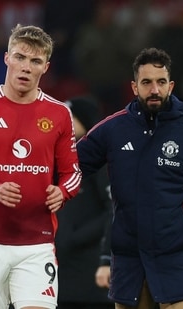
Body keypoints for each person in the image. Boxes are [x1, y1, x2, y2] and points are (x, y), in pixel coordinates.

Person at [76, 47, 183, 309]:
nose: (154, 90)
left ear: (171, 85)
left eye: (161, 82)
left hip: (179, 259)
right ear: (134, 86)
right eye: (146, 82)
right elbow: (71, 164)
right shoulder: (113, 128)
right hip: (130, 260)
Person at [0, 24, 81, 309]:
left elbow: (72, 173)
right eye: (20, 57)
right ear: (7, 58)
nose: (26, 67)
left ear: (45, 67)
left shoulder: (59, 114)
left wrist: (63, 192)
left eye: (35, 61)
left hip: (37, 244)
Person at [55, 95, 114, 309]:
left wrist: (74, 237)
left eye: (69, 117)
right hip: (62, 271)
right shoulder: (60, 158)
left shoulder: (100, 160)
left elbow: (113, 209)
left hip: (92, 270)